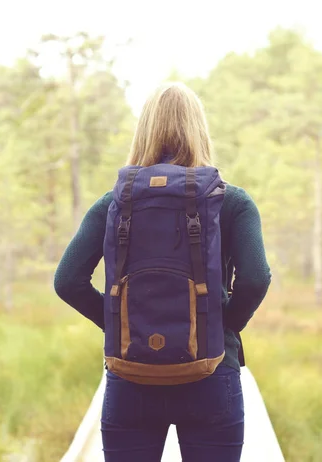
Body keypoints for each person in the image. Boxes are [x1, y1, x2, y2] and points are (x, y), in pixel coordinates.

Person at [54, 82, 271, 462]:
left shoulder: (113, 204)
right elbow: (255, 279)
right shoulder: (232, 201)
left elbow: (67, 280)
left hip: (130, 375)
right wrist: (222, 325)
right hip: (212, 373)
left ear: (144, 130)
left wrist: (120, 323)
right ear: (200, 129)